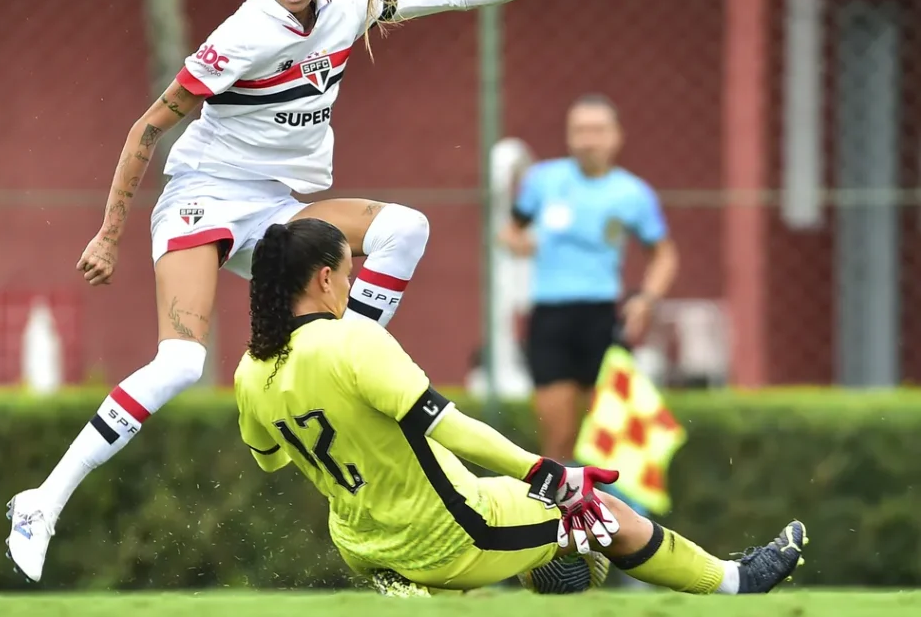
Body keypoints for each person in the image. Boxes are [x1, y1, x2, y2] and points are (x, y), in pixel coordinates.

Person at [5, 0, 594, 582]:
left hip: (273, 207)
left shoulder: (348, 5)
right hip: (202, 198)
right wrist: (110, 234)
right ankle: (42, 502)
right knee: (180, 364)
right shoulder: (242, 35)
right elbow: (146, 129)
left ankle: (343, 365)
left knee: (407, 227)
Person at [233, 217, 806, 596]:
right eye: (351, 273)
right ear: (327, 278)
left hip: (362, 545)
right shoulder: (354, 339)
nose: (354, 285)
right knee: (602, 512)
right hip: (452, 531)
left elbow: (271, 460)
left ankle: (541, 565)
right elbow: (450, 428)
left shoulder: (249, 370)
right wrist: (551, 475)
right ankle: (736, 582)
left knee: (505, 556)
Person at [499, 93, 679, 467]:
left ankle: (613, 519)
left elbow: (663, 255)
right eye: (579, 130)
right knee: (558, 433)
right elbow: (509, 232)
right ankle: (557, 517)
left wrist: (646, 299)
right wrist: (524, 245)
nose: (587, 139)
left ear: (616, 136)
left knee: (608, 433)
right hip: (550, 316)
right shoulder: (543, 181)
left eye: (597, 130)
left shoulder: (632, 193)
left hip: (602, 316)